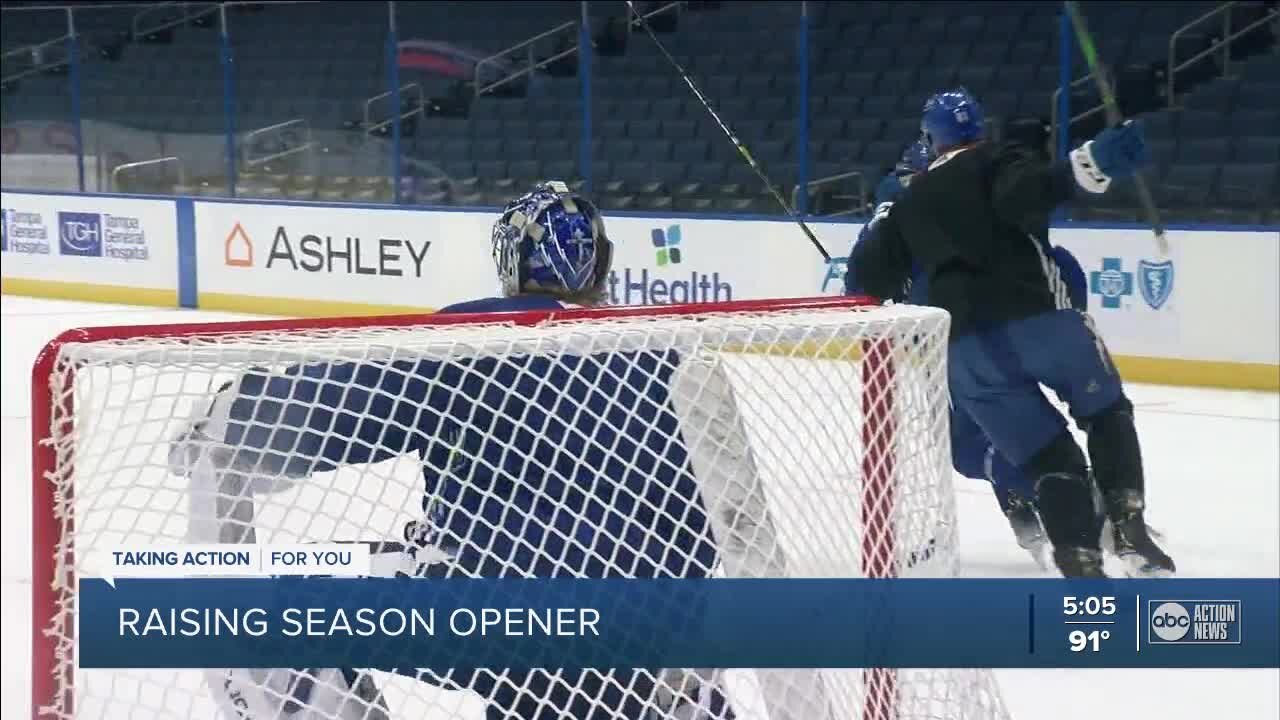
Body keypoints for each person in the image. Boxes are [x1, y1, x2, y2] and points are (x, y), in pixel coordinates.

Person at [169, 182, 761, 718]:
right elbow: (718, 518)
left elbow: (342, 405)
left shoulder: (479, 335)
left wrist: (229, 419)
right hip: (651, 638)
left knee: (273, 602)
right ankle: (682, 696)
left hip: (511, 627)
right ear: (601, 264)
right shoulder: (668, 351)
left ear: (512, 266)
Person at [847, 88, 1175, 579]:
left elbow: (864, 282)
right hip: (1039, 319)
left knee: (1047, 456)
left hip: (968, 352)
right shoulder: (999, 156)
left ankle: (1079, 562)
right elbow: (1029, 191)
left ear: (931, 141)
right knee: (1105, 413)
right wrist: (1090, 162)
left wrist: (880, 222)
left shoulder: (909, 201)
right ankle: (1130, 531)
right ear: (979, 128)